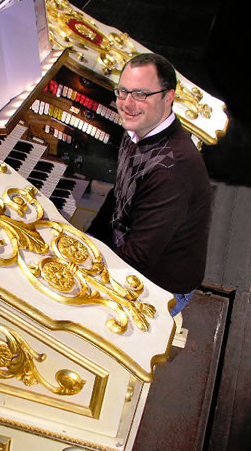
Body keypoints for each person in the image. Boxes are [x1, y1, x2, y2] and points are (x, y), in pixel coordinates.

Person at [87, 53, 211, 316]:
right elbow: (118, 194)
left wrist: (85, 272)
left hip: (161, 288)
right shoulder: (139, 127)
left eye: (142, 94)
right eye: (123, 92)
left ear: (169, 97)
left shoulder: (173, 170)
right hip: (129, 253)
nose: (128, 104)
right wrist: (87, 240)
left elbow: (138, 258)